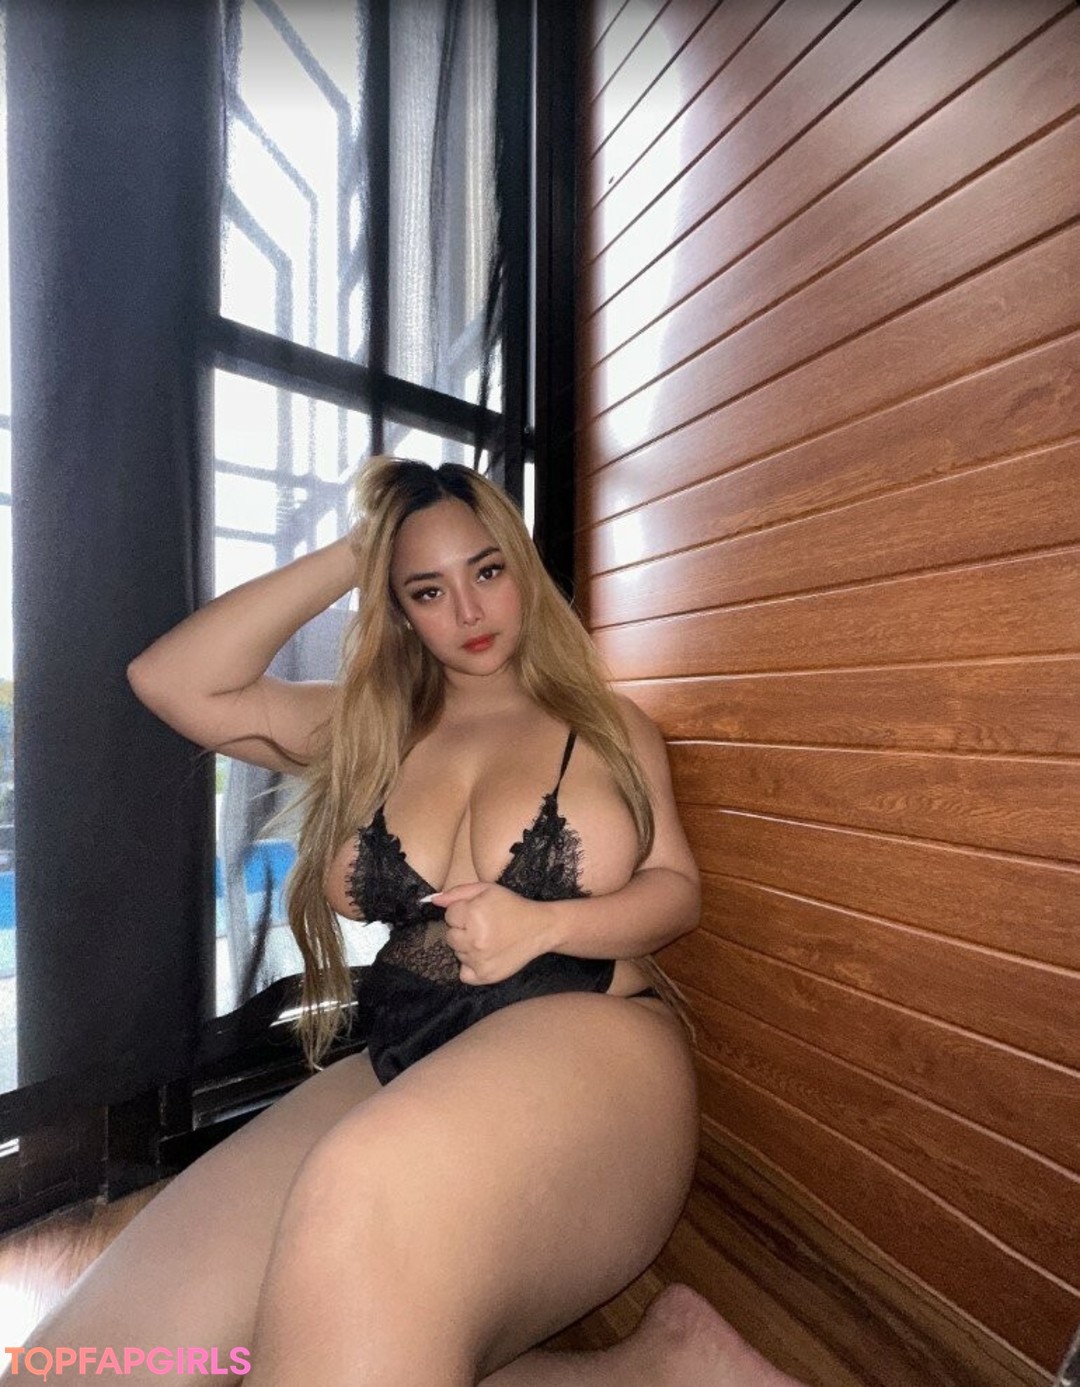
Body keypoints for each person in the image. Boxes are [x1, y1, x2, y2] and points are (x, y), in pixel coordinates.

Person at [3, 457, 804, 1386]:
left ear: (521, 568)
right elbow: (169, 679)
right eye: (427, 588)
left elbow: (676, 889)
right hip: (405, 1055)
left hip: (594, 1041)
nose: (467, 610)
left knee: (357, 1188)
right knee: (85, 1362)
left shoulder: (609, 726)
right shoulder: (367, 731)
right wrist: (360, 549)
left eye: (487, 570)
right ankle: (659, 1370)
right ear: (399, 607)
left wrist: (547, 928)